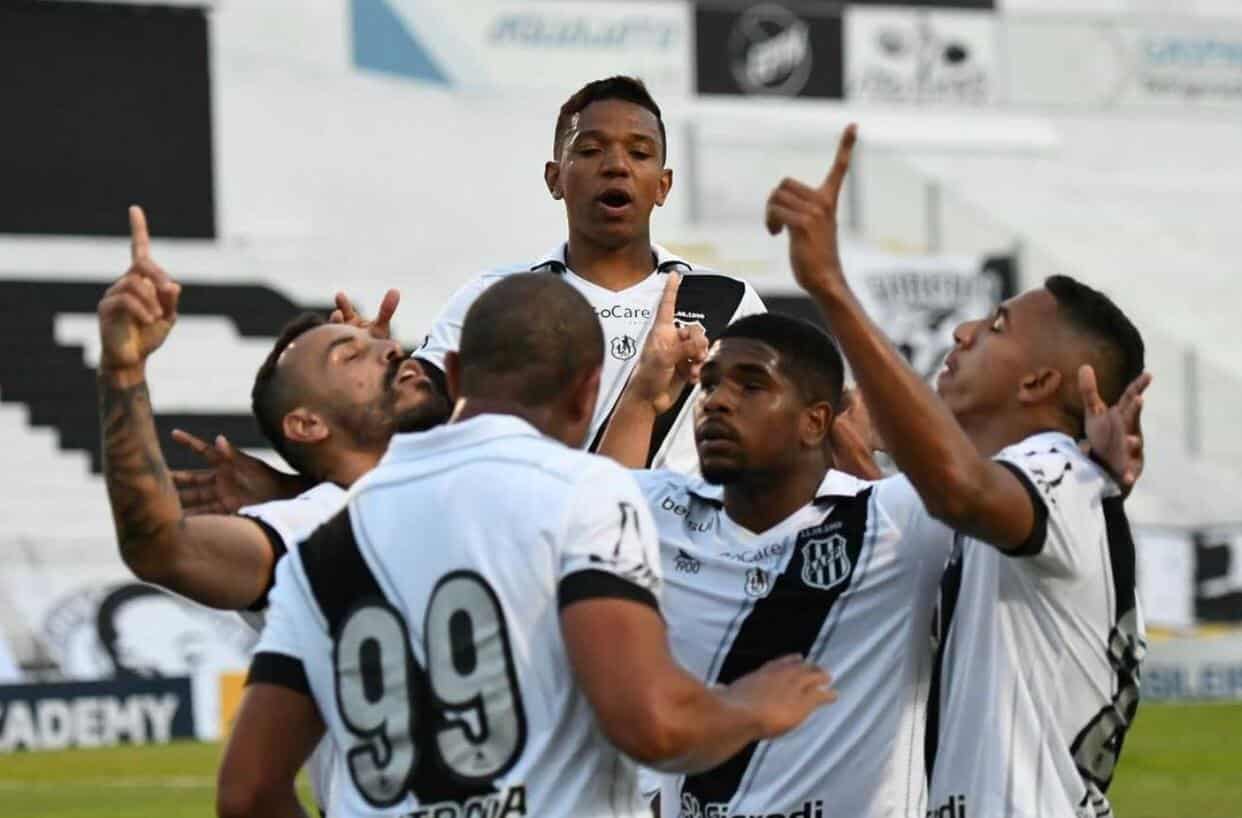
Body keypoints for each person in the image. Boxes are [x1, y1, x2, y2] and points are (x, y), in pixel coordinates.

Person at [217, 274, 836, 818]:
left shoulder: (325, 531)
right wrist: (752, 707)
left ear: (453, 376)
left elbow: (245, 794)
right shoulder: (584, 495)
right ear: (587, 392)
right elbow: (652, 726)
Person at [765, 125, 1150, 818]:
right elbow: (926, 510)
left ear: (1038, 380)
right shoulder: (1035, 492)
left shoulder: (1061, 470)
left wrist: (828, 283)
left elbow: (958, 491)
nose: (963, 332)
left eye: (997, 326)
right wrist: (857, 451)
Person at [96, 206, 451, 808]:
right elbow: (163, 548)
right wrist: (123, 369)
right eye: (350, 356)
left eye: (382, 346)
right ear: (307, 423)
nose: (388, 353)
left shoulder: (485, 480)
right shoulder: (305, 532)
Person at [413, 75, 765, 472]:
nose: (616, 166)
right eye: (592, 149)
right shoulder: (495, 296)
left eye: (639, 153)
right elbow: (415, 411)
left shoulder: (729, 302)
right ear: (555, 177)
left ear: (663, 185)